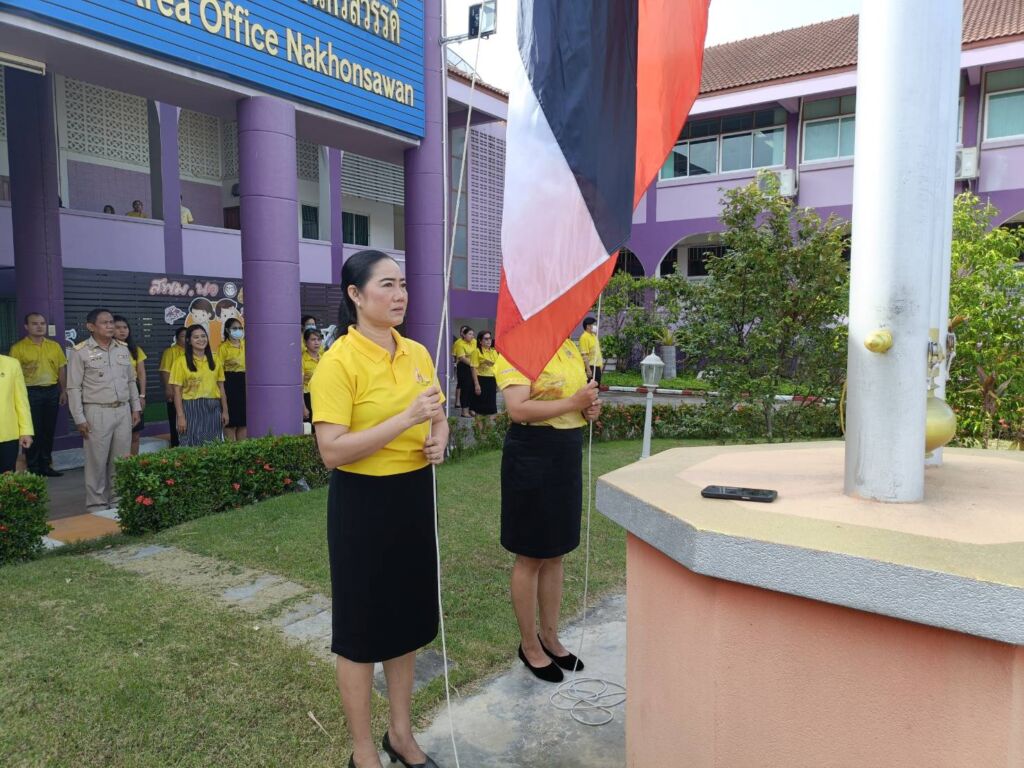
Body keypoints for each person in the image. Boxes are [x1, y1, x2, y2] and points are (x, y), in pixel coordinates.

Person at [310, 249, 448, 768]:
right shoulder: (337, 362)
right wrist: (405, 419)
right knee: (361, 632)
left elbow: (437, 415)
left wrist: (439, 437)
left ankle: (401, 735)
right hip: (363, 506)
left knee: (405, 621)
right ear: (355, 294)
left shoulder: (416, 352)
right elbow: (332, 451)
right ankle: (363, 750)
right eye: (387, 285)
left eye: (403, 284)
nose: (399, 295)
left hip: (413, 497)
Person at [495, 338, 601, 683]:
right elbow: (518, 409)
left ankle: (550, 637)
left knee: (556, 552)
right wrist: (573, 402)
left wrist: (587, 409)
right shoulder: (519, 346)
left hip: (566, 452)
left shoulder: (569, 347)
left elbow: (577, 403)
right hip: (532, 452)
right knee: (531, 555)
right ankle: (529, 645)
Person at [67, 308, 142, 513]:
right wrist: (79, 418)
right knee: (97, 461)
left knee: (122, 459)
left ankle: (119, 500)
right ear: (91, 327)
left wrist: (135, 407)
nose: (111, 326)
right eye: (105, 323)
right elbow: (73, 388)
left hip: (123, 410)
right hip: (97, 412)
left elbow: (131, 381)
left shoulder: (122, 348)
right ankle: (97, 504)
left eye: (111, 322)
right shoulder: (80, 352)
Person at [9, 312, 67, 476]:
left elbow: (61, 369)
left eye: (42, 323)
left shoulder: (54, 346)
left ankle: (46, 465)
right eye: (35, 323)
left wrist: (63, 390)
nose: (40, 326)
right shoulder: (18, 348)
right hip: (30, 392)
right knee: (33, 431)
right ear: (26, 326)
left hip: (51, 391)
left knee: (49, 430)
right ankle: (33, 468)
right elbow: (14, 375)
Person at [170, 325, 227, 447]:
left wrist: (225, 411)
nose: (201, 340)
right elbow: (177, 392)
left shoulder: (215, 359)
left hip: (213, 408)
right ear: (189, 341)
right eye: (196, 337)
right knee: (190, 445)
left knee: (214, 446)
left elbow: (221, 388)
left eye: (203, 336)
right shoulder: (180, 362)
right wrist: (180, 416)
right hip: (191, 408)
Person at [113, 316, 147, 456]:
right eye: (118, 327)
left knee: (135, 433)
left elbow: (141, 373)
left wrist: (142, 395)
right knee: (117, 435)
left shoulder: (135, 349)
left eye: (125, 327)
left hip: (134, 392)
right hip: (115, 393)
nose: (122, 331)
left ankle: (133, 463)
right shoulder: (107, 350)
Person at [0, 353, 33, 474]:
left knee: (7, 478)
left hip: (7, 435)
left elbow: (21, 401)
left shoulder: (12, 364)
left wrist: (26, 431)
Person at [218, 318, 246, 441]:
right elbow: (219, 369)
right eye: (235, 328)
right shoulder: (223, 347)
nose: (238, 330)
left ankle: (242, 448)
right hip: (230, 383)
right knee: (231, 421)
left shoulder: (246, 344)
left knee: (244, 420)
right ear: (227, 330)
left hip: (245, 382)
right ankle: (230, 448)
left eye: (240, 328)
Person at [159, 327, 187, 447]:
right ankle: (176, 445)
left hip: (190, 393)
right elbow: (165, 371)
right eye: (183, 336)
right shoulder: (170, 351)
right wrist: (168, 389)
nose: (186, 339)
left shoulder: (192, 351)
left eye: (188, 336)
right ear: (177, 338)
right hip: (175, 392)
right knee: (176, 420)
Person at [469, 330, 498, 417]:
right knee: (479, 409)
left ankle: (488, 426)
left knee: (491, 409)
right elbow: (473, 368)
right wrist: (476, 384)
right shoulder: (476, 351)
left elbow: (496, 367)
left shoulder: (493, 351)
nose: (489, 341)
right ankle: (480, 426)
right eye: (486, 339)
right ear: (480, 341)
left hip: (492, 380)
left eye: (490, 338)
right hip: (481, 380)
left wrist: (497, 383)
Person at [452, 325, 476, 418]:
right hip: (464, 367)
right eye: (470, 334)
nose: (472, 336)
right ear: (464, 335)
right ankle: (464, 411)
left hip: (473, 367)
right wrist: (474, 363)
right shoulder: (459, 343)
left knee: (473, 388)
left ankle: (471, 409)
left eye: (473, 334)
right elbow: (462, 358)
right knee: (465, 388)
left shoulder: (474, 342)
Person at [301, 328, 322, 423]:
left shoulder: (324, 358)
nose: (316, 342)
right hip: (308, 397)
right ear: (306, 342)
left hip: (322, 397)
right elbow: (300, 386)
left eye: (319, 339)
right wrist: (303, 407)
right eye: (313, 339)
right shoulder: (302, 360)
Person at [578, 316, 604, 384]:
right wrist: (588, 369)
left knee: (597, 386)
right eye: (592, 324)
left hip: (597, 366)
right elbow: (584, 355)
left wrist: (601, 365)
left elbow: (597, 352)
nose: (594, 326)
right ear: (588, 326)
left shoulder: (594, 336)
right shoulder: (584, 337)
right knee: (591, 387)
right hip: (591, 366)